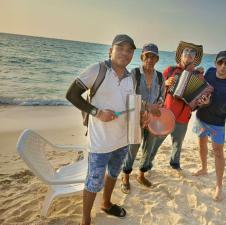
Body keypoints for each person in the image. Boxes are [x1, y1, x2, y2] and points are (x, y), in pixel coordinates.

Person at [66, 34, 145, 225]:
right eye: (121, 48)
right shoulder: (98, 70)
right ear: (111, 50)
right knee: (94, 181)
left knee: (114, 173)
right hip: (100, 141)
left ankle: (107, 203)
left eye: (130, 50)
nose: (125, 53)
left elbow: (131, 105)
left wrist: (142, 116)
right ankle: (85, 220)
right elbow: (71, 94)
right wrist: (97, 112)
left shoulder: (132, 78)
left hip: (122, 140)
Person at [192, 51, 226, 201]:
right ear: (215, 63)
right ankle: (204, 168)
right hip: (201, 117)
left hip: (217, 123)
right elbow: (198, 87)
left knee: (218, 153)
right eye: (220, 63)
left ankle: (219, 186)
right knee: (201, 142)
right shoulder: (209, 72)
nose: (223, 66)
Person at [144, 41, 204, 172]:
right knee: (156, 141)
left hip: (184, 116)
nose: (188, 54)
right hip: (166, 114)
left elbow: (200, 97)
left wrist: (203, 100)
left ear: (195, 57)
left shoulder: (199, 75)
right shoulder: (170, 70)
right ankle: (147, 163)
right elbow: (154, 88)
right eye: (186, 51)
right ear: (181, 55)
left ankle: (175, 163)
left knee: (178, 142)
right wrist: (165, 83)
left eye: (192, 52)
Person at [121, 43, 165, 193]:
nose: (150, 59)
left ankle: (141, 175)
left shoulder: (160, 76)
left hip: (153, 118)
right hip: (136, 117)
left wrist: (158, 105)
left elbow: (162, 97)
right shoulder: (134, 73)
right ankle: (125, 177)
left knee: (149, 147)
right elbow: (129, 95)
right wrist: (146, 107)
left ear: (157, 59)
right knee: (132, 148)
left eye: (153, 57)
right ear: (142, 57)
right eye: (147, 56)